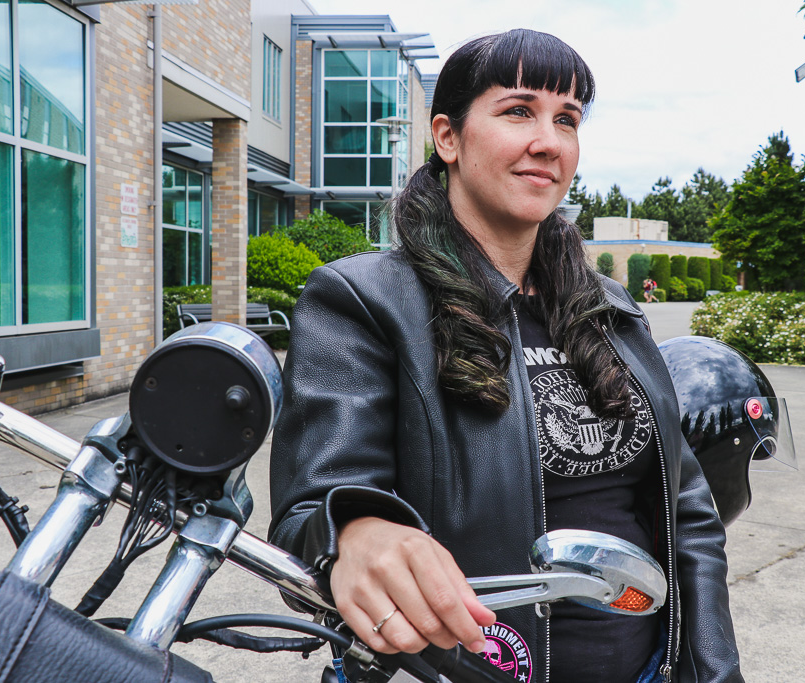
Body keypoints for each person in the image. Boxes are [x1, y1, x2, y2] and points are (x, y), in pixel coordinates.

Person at [269, 29, 743, 683]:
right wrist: (358, 532)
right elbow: (312, 506)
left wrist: (711, 669)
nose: (548, 141)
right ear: (448, 138)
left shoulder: (611, 308)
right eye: (518, 110)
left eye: (567, 119)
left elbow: (688, 506)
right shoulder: (361, 300)